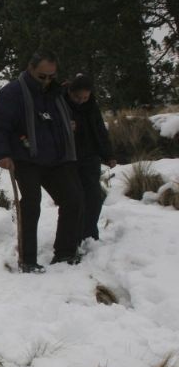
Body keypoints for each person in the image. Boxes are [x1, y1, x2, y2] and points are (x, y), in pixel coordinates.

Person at [0, 51, 83, 273]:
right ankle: (27, 260)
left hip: (57, 159)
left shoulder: (57, 94)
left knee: (73, 198)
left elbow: (57, 121)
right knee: (30, 204)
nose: (47, 81)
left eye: (51, 76)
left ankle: (65, 252)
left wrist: (68, 126)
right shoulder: (12, 93)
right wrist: (0, 154)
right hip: (25, 158)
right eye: (42, 76)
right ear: (30, 68)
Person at [64, 74, 116, 242]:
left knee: (94, 198)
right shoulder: (59, 103)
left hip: (90, 157)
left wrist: (108, 154)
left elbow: (100, 130)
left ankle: (90, 235)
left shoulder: (92, 106)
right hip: (68, 159)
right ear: (70, 92)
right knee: (76, 199)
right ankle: (74, 236)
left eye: (85, 97)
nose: (81, 100)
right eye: (78, 97)